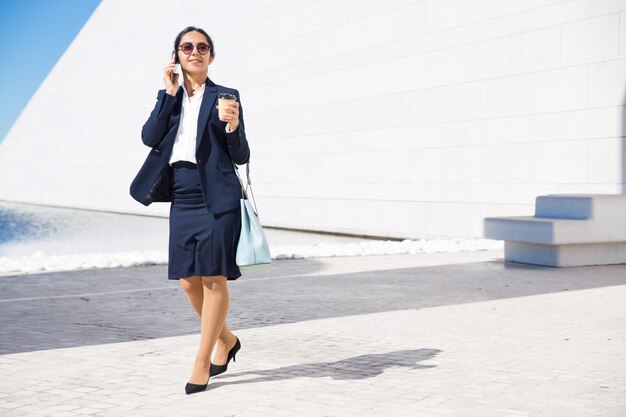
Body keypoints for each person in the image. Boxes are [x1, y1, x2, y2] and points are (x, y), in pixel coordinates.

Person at [130, 26, 248, 395]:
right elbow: (150, 138)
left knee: (214, 278)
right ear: (177, 56)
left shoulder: (226, 96)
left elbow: (241, 156)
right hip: (182, 194)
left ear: (211, 56)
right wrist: (167, 94)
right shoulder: (170, 98)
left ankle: (203, 360)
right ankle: (227, 339)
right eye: (186, 47)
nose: (194, 52)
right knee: (187, 281)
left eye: (202, 47)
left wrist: (233, 126)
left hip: (218, 195)